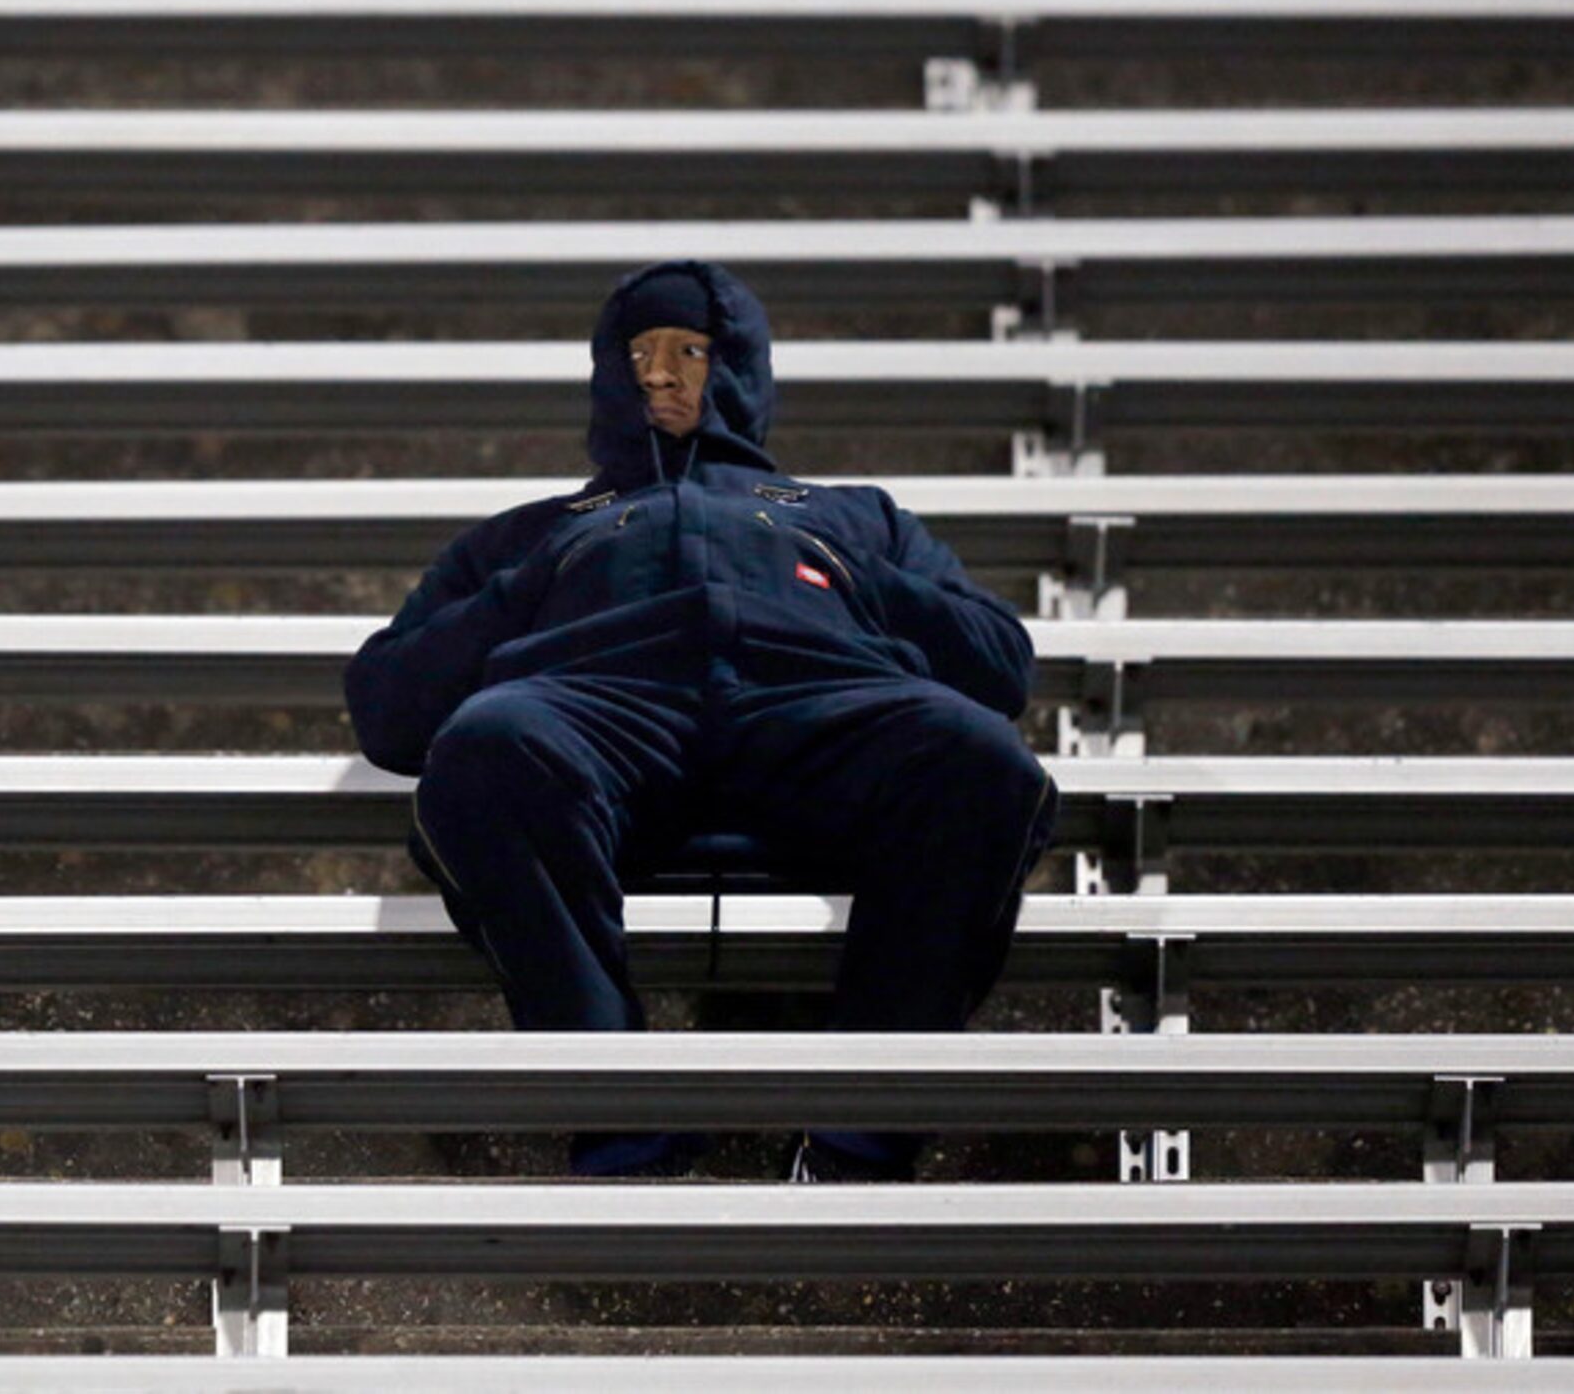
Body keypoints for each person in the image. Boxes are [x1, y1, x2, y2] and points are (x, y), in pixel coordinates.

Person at [345, 260, 1057, 1182]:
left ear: (737, 369)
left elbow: (1001, 664)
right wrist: (533, 587)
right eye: (636, 352)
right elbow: (387, 706)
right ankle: (624, 1123)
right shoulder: (535, 530)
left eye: (688, 349)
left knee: (981, 762)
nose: (659, 373)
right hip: (600, 707)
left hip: (816, 698)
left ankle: (861, 1141)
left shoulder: (849, 514)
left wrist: (849, 573)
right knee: (485, 747)